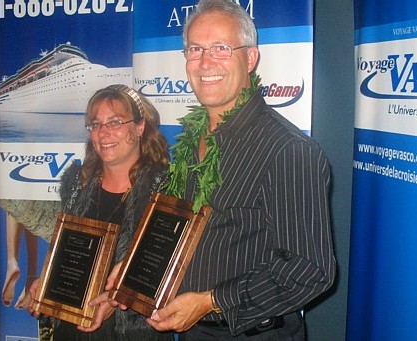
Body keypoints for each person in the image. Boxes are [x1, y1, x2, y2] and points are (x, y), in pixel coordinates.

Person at [143, 1, 337, 339]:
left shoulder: (287, 150)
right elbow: (191, 233)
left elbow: (310, 271)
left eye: (221, 48)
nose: (205, 62)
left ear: (250, 58)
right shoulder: (193, 139)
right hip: (193, 330)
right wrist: (133, 273)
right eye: (195, 49)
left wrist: (211, 301)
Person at [28, 84, 173, 340]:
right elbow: (68, 253)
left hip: (133, 330)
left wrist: (115, 299)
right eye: (96, 124)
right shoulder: (77, 185)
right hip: (74, 327)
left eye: (115, 122)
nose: (103, 133)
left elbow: (164, 268)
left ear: (140, 127)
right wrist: (50, 283)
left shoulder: (165, 188)